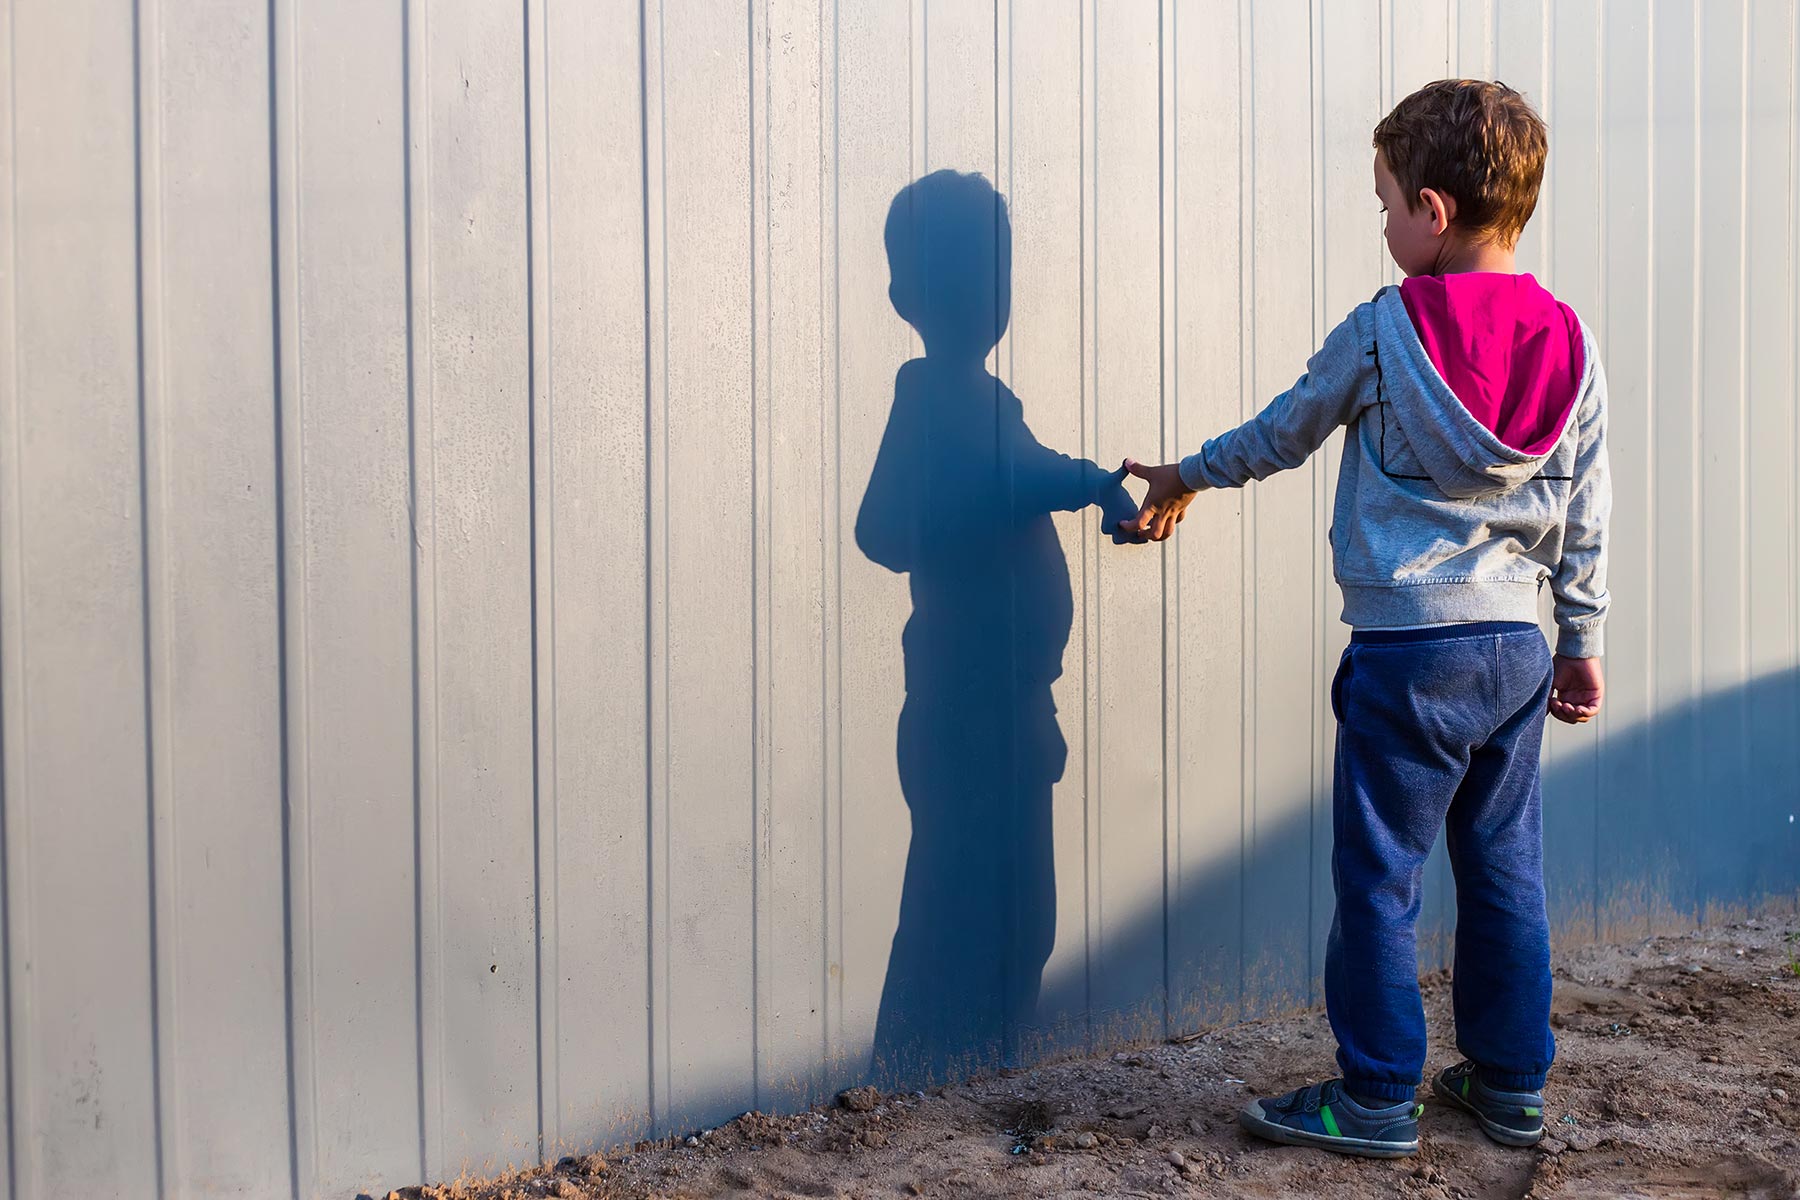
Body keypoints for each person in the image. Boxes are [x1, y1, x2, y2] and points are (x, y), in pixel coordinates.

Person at [1118, 79, 1610, 1158]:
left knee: (1380, 875)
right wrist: (1580, 639)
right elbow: (1586, 507)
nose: (1384, 224)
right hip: (1518, 649)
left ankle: (1380, 1095)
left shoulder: (1387, 331)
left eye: (1386, 203)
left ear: (1434, 212)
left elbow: (1287, 428)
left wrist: (1187, 473)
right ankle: (1511, 1082)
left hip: (1410, 650)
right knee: (1504, 867)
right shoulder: (1570, 341)